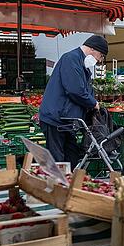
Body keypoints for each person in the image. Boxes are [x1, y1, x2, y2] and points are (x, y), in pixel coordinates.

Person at [39, 35, 106, 167]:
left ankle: (68, 184)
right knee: (58, 159)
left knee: (71, 156)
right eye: (101, 55)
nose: (100, 60)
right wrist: (93, 103)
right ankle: (57, 185)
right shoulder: (71, 59)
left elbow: (84, 89)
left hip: (66, 119)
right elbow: (75, 90)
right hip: (56, 118)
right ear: (93, 49)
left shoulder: (81, 62)